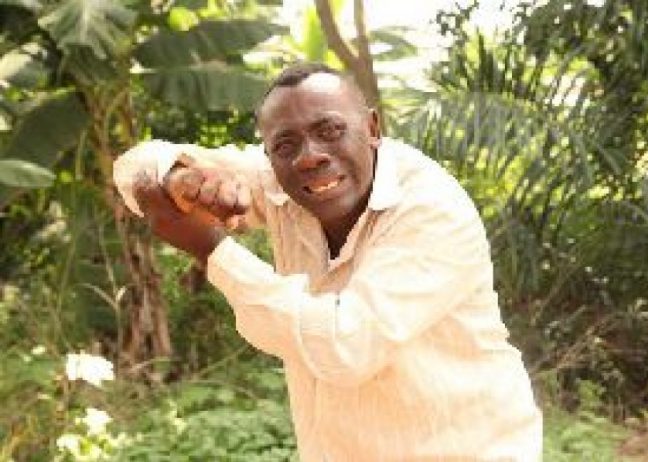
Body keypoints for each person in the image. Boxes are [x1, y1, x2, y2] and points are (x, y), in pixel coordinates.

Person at [114, 62, 542, 461]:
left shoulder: (431, 208)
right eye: (285, 144)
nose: (309, 156)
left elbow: (346, 346)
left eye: (330, 130)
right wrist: (179, 180)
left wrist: (213, 251)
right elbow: (135, 168)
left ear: (372, 128)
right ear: (269, 155)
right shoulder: (280, 181)